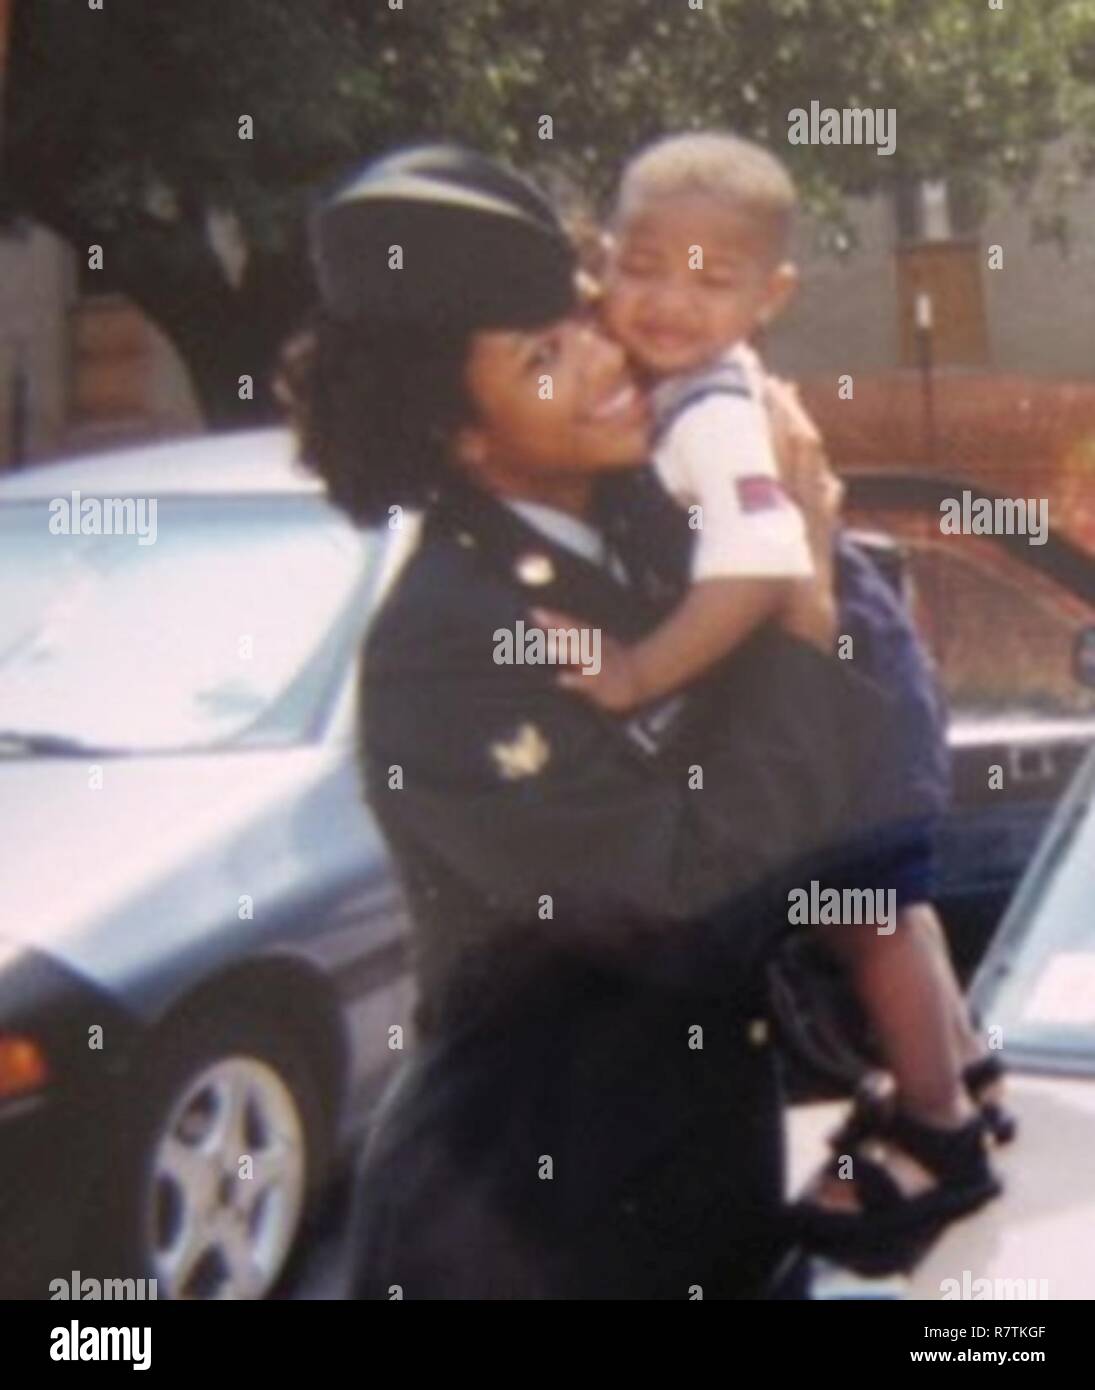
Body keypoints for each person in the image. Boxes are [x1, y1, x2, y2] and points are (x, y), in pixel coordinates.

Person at [287, 144, 945, 1298]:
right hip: (527, 1229)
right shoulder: (452, 640)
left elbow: (830, 771)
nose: (609, 353)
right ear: (457, 434)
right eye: (546, 355)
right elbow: (688, 911)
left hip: (707, 1194)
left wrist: (805, 562)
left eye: (583, 313)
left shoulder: (651, 524)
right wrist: (797, 614)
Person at [524, 131, 1006, 1262]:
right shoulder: (674, 389)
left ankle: (940, 1129)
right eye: (643, 268)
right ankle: (960, 1061)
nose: (670, 303)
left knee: (863, 909)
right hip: (858, 674)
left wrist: (638, 674)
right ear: (601, 260)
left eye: (712, 278)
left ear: (772, 293)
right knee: (882, 902)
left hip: (848, 684)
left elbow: (753, 565)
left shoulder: (713, 414)